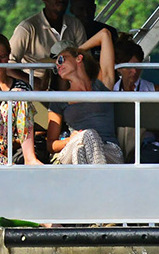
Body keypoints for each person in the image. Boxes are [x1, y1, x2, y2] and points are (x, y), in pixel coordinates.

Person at [31, 27, 125, 165]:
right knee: (85, 138)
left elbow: (104, 34)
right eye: (56, 65)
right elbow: (50, 145)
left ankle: (87, 177)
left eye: (61, 59)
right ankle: (97, 176)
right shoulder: (60, 99)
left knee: (87, 139)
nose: (58, 65)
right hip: (74, 147)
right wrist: (71, 140)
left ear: (79, 58)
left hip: (109, 150)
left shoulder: (102, 86)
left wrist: (77, 50)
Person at [9, 0, 87, 79]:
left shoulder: (75, 24)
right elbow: (9, 66)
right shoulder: (28, 28)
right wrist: (36, 83)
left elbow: (85, 59)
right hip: (35, 86)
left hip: (70, 85)